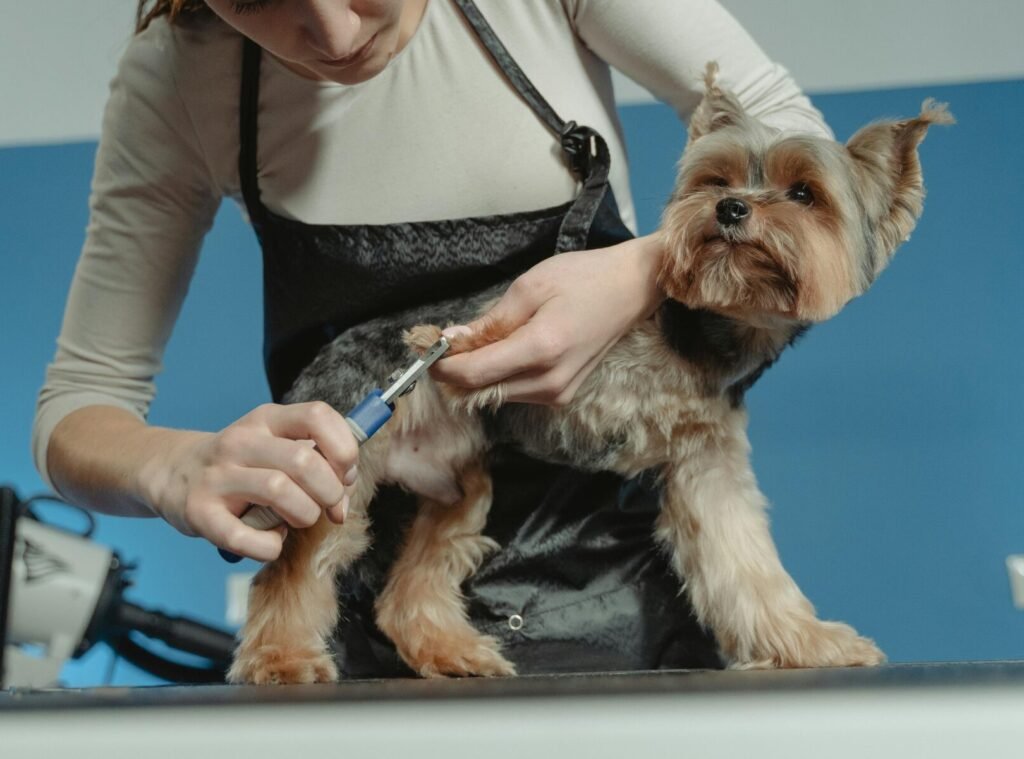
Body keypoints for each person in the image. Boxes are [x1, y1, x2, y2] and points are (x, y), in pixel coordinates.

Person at [34, 0, 832, 676]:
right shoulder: (182, 71)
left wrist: (643, 270)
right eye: (255, 0)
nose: (335, 35)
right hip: (362, 658)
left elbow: (802, 150)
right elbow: (78, 404)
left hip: (628, 620)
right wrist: (175, 468)